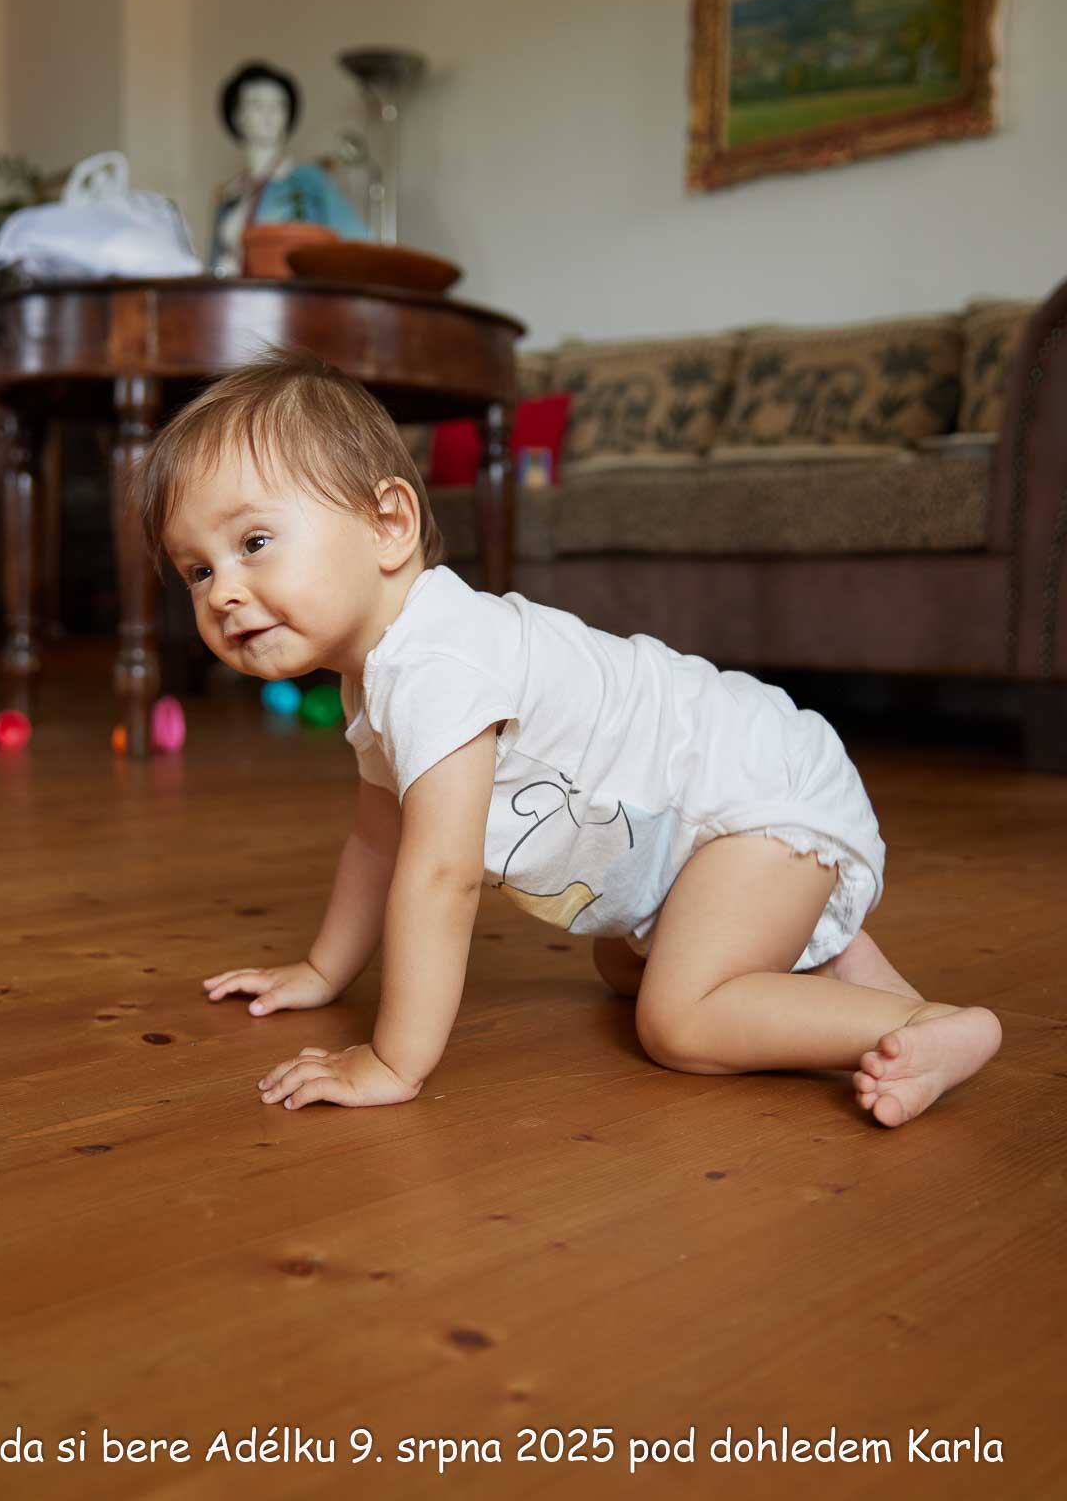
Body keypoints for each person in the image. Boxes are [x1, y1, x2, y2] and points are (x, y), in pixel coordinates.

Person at [137, 348, 1003, 1127]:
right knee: (622, 969)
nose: (223, 592)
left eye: (255, 541)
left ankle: (917, 1023)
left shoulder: (439, 662)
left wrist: (394, 1059)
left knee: (679, 1018)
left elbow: (440, 876)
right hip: (726, 808)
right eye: (198, 569)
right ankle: (850, 976)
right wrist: (324, 970)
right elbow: (378, 839)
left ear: (388, 525)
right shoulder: (385, 670)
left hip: (754, 798)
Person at [210, 60, 367, 275]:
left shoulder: (309, 180)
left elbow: (359, 243)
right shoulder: (231, 194)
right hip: (239, 292)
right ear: (238, 116)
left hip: (291, 291)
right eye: (256, 104)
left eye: (279, 105)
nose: (269, 113)